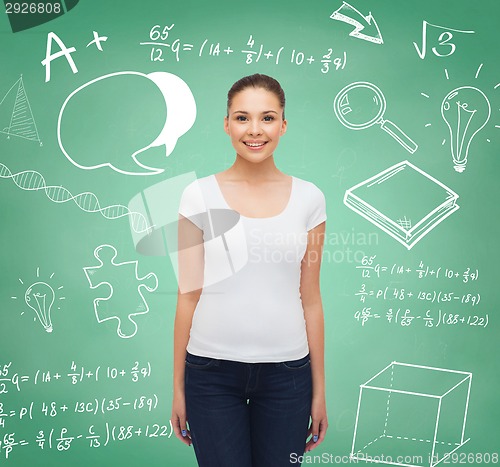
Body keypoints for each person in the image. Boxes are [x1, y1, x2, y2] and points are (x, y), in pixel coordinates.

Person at [171, 73, 328, 467]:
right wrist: (177, 388)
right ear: (226, 124)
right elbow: (188, 294)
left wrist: (319, 390)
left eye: (267, 118)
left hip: (288, 376)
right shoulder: (198, 195)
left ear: (283, 125)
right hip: (209, 374)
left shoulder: (310, 199)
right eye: (242, 118)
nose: (254, 130)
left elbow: (310, 299)